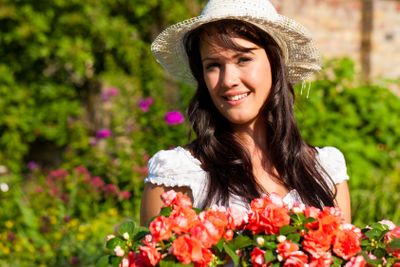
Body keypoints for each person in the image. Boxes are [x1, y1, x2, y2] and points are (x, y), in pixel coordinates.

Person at [140, 0, 351, 225]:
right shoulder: (177, 175)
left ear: (275, 61)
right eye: (213, 65)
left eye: (243, 59)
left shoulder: (325, 170)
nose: (228, 80)